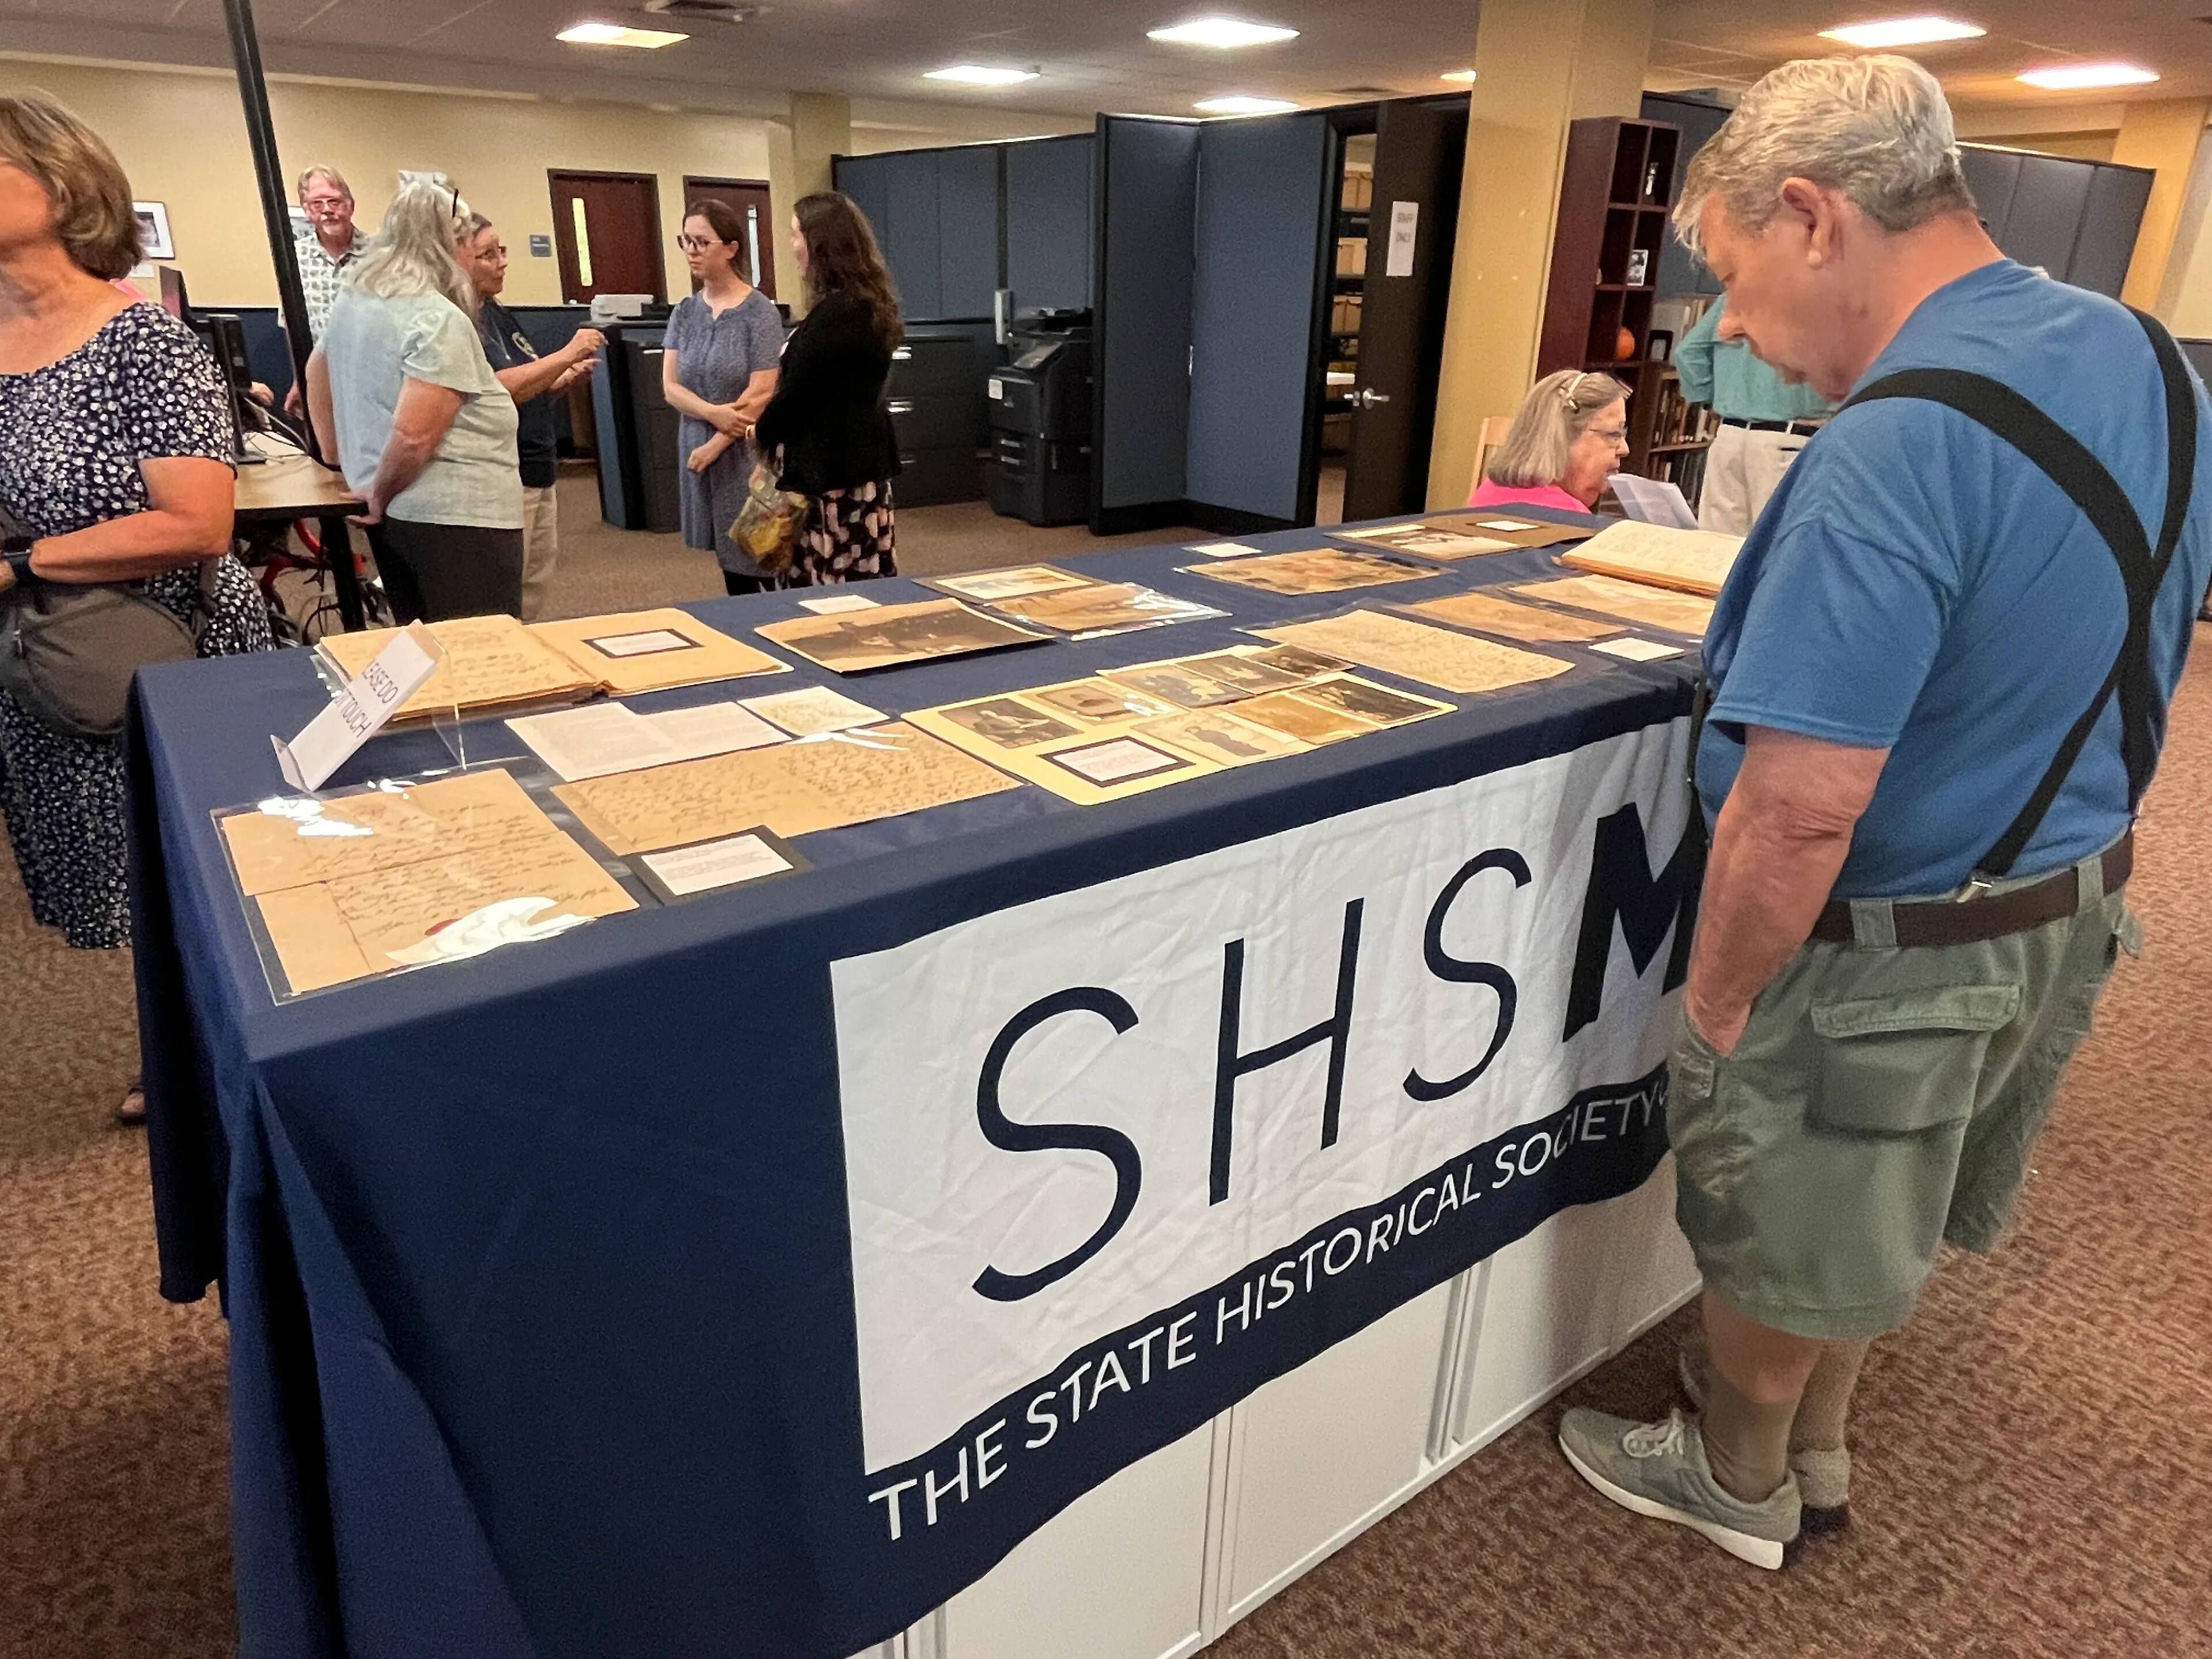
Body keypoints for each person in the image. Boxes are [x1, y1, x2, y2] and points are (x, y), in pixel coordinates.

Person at [1555, 55, 2212, 1571]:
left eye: (1731, 277)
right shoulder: (2149, 360)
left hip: (1892, 935)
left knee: (1790, 1192)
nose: (1733, 333)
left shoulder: (1894, 445)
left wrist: (1714, 1011)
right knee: (1884, 1196)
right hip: (2066, 894)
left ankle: (1736, 1478)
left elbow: (1797, 807)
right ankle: (1816, 1439)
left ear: (1810, 216)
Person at [0, 94, 272, 1105]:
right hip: (59, 657)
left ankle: (241, 1059)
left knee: (212, 872)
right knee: (133, 878)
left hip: (172, 654)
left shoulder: (139, 341)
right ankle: (190, 1048)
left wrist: (25, 566)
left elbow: (197, 523)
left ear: (62, 185)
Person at [305, 181, 525, 623]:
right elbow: (413, 436)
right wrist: (378, 495)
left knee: (425, 651)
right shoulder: (436, 317)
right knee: (481, 662)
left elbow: (316, 371)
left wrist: (339, 461)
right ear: (450, 245)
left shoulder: (359, 297)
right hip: (459, 522)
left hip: (405, 517)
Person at [456, 212, 603, 620]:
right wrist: (566, 354)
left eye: (501, 251)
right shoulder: (460, 321)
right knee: (501, 596)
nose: (502, 262)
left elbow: (527, 383)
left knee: (534, 585)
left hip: (539, 467)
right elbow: (495, 390)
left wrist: (563, 377)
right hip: (503, 475)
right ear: (459, 259)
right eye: (488, 254)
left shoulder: (497, 313)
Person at [753, 191, 903, 585]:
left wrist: (760, 430)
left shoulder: (838, 313)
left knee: (831, 595)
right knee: (860, 583)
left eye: (796, 235)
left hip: (832, 480)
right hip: (852, 468)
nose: (793, 247)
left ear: (821, 246)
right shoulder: (864, 304)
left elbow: (798, 394)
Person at [660, 199, 784, 594]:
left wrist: (717, 442)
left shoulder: (759, 312)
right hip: (698, 445)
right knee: (728, 564)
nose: (692, 251)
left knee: (757, 559)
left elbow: (762, 391)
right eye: (687, 242)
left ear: (731, 249)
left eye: (702, 242)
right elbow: (671, 386)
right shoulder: (685, 312)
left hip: (743, 452)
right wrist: (712, 413)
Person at [1675, 298, 1835, 535]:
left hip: (1729, 435)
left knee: (1715, 547)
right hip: (1788, 438)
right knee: (1777, 545)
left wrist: (1710, 398)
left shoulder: (1735, 296)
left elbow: (1688, 353)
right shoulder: (1820, 299)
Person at [1469, 370, 1631, 514]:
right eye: (1613, 434)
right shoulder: (1570, 517)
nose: (1625, 449)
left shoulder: (1487, 490)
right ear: (1564, 437)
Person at [283, 165, 364, 418]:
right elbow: (290, 325)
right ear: (307, 211)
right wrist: (300, 379)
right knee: (325, 456)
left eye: (335, 201)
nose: (328, 210)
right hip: (319, 383)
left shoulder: (380, 256)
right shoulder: (293, 258)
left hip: (371, 381)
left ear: (350, 205)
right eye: (317, 204)